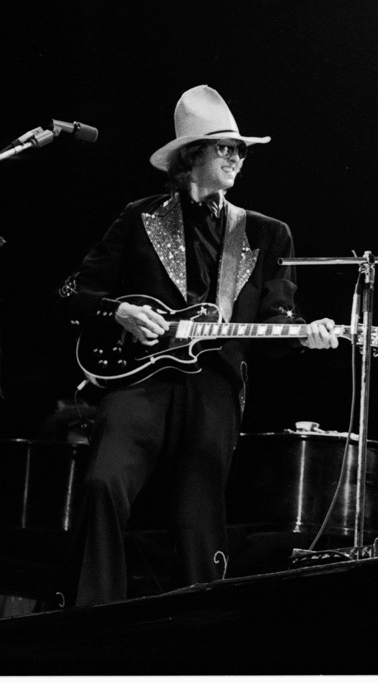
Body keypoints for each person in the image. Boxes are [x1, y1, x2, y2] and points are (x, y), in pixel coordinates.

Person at [56, 85, 338, 607]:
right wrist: (117, 310)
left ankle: (197, 628)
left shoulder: (265, 233)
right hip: (138, 379)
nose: (236, 157)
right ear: (191, 157)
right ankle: (91, 615)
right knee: (101, 485)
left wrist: (305, 335)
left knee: (197, 516)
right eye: (223, 147)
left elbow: (277, 322)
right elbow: (74, 290)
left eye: (239, 149)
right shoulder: (140, 217)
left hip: (213, 386)